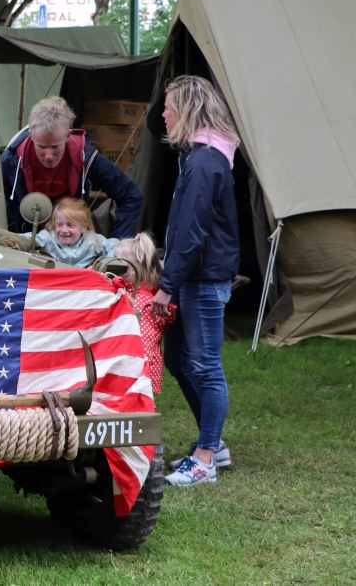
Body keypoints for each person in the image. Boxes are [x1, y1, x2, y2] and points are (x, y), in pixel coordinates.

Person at [152, 75, 240, 487]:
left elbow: (191, 231)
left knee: (205, 365)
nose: (164, 113)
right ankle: (213, 441)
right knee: (179, 360)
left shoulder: (205, 162)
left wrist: (168, 284)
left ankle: (206, 457)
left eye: (170, 106)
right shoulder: (199, 157)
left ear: (188, 107)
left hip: (201, 278)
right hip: (195, 275)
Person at [1, 96, 143, 238]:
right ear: (31, 136)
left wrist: (117, 244)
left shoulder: (85, 157)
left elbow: (131, 196)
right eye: (42, 147)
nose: (49, 156)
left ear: (68, 135)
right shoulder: (12, 159)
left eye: (55, 147)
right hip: (22, 244)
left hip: (71, 246)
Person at [114, 232, 173, 393]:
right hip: (123, 357)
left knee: (141, 401)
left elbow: (159, 327)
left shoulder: (150, 299)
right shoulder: (120, 291)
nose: (116, 269)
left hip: (141, 361)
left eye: (122, 267)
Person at [23, 197, 118, 267]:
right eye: (59, 224)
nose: (64, 230)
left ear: (83, 227)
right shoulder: (48, 237)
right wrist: (14, 240)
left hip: (84, 280)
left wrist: (103, 264)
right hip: (54, 278)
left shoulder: (93, 241)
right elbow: (27, 239)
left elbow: (114, 245)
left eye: (70, 225)